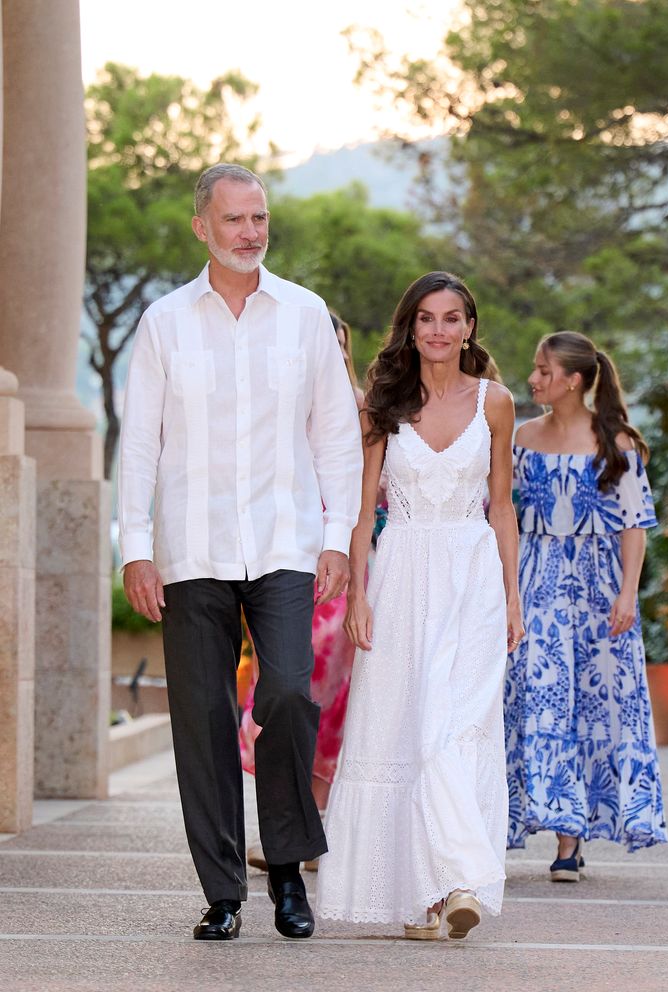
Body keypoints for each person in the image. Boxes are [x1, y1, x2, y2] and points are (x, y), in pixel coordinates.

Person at [118, 163, 362, 941]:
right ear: (203, 228)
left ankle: (287, 869)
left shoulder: (305, 314)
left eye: (259, 218)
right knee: (202, 719)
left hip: (287, 543)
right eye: (235, 221)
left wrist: (336, 537)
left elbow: (334, 435)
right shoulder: (164, 323)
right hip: (192, 551)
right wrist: (137, 547)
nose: (251, 233)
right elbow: (140, 444)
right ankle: (223, 890)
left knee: (289, 694)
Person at [316, 271, 523, 940]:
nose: (439, 329)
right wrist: (355, 594)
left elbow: (501, 505)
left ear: (469, 327)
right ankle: (430, 897)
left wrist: (514, 595)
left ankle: (458, 879)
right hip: (401, 576)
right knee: (408, 728)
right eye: (427, 318)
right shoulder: (382, 404)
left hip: (472, 578)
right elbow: (361, 506)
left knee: (454, 723)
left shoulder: (496, 402)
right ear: (411, 328)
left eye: (452, 318)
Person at [505, 331, 667, 879]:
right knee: (539, 700)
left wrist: (626, 593)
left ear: (573, 381)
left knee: (589, 708)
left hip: (598, 593)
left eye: (543, 371)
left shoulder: (615, 443)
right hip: (535, 583)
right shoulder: (523, 436)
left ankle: (570, 844)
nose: (533, 379)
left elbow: (635, 526)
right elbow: (502, 513)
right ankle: (539, 823)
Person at [241, 309, 364, 872]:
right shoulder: (282, 401)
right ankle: (291, 819)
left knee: (334, 693)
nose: (332, 354)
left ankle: (307, 824)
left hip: (344, 559)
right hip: (284, 555)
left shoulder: (366, 407)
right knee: (288, 683)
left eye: (339, 345)